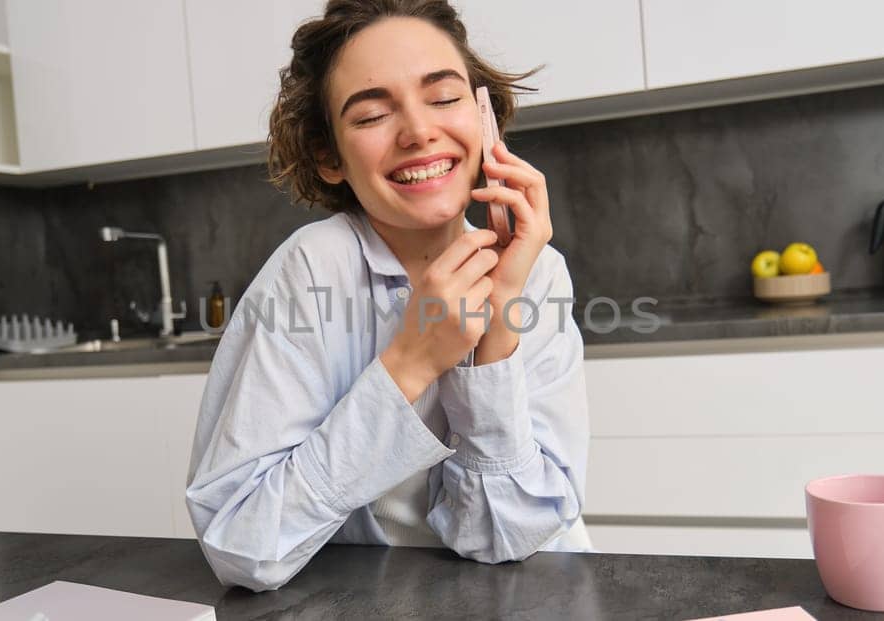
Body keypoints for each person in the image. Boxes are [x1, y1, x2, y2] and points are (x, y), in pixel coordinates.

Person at [184, 0, 590, 592]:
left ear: (484, 117)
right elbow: (242, 547)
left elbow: (507, 536)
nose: (420, 131)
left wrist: (498, 332)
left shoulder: (540, 272)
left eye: (445, 97)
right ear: (329, 156)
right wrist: (413, 361)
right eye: (372, 114)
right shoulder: (311, 270)